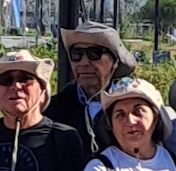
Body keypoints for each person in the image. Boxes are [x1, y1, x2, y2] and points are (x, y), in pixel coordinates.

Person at [48, 23, 134, 155]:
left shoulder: (130, 107)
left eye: (94, 53)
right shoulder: (54, 108)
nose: (84, 62)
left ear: (115, 61)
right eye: (76, 54)